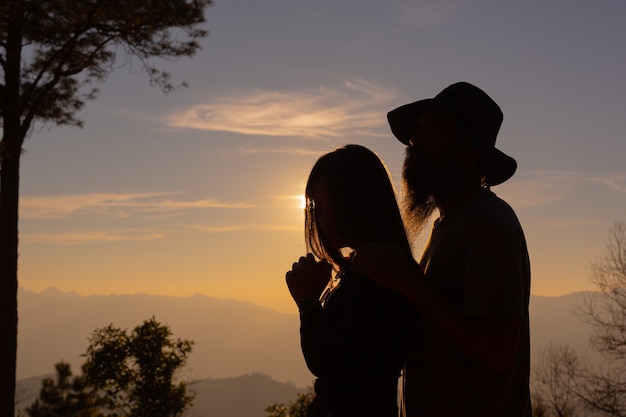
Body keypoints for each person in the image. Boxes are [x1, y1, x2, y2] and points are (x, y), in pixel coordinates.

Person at [352, 82, 532, 416]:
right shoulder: (451, 224)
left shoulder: (487, 222)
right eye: (416, 131)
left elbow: (499, 351)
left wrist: (407, 282)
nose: (414, 142)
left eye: (433, 130)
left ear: (470, 150)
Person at [285, 144, 416, 417]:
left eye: (337, 203)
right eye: (319, 209)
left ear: (364, 201)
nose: (326, 218)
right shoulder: (372, 266)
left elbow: (328, 362)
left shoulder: (377, 273)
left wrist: (308, 303)